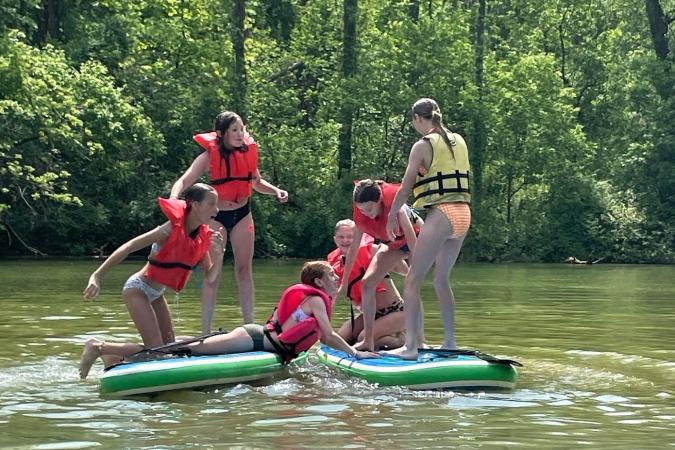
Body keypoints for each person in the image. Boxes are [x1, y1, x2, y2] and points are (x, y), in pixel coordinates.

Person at [79, 261, 378, 378]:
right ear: (317, 279)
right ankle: (101, 347)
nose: (337, 277)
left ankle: (115, 360)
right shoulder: (314, 299)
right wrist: (354, 352)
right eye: (331, 275)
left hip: (264, 343)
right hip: (254, 338)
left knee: (183, 346)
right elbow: (326, 336)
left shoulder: (316, 298)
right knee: (178, 350)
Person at [170, 111, 288, 330]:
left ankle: (250, 327)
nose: (239, 133)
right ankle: (205, 330)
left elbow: (257, 183)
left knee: (244, 270)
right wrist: (174, 199)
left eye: (241, 129)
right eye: (234, 130)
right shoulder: (208, 156)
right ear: (221, 133)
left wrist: (276, 191)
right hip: (217, 216)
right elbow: (184, 180)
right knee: (212, 272)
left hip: (243, 213)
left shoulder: (248, 152)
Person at [83, 183, 225, 351]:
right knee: (156, 349)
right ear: (195, 205)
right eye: (211, 204)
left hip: (157, 294)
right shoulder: (170, 229)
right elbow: (130, 246)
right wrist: (97, 276)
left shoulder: (201, 238)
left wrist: (220, 254)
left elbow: (209, 276)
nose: (216, 210)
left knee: (168, 347)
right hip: (138, 288)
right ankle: (97, 347)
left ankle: (112, 356)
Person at [383, 98, 471, 360]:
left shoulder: (422, 145)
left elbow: (405, 186)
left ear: (418, 119)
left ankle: (410, 346)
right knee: (441, 279)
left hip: (442, 213)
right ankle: (450, 342)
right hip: (464, 213)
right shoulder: (458, 139)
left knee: (412, 280)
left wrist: (391, 216)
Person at [337, 179, 420, 352]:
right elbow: (354, 249)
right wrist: (344, 284)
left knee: (412, 283)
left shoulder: (396, 209)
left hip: (416, 240)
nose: (366, 213)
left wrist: (416, 269)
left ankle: (418, 340)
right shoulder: (360, 216)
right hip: (392, 244)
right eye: (361, 210)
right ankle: (368, 341)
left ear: (379, 200)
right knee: (367, 283)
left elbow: (414, 244)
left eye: (369, 209)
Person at [328, 219, 407, 350]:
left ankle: (401, 339)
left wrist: (392, 253)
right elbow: (330, 295)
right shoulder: (334, 264)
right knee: (340, 339)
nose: (345, 241)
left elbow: (404, 271)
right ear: (335, 239)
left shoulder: (372, 251)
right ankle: (385, 335)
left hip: (396, 311)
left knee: (362, 338)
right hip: (371, 314)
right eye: (341, 237)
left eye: (350, 237)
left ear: (358, 238)